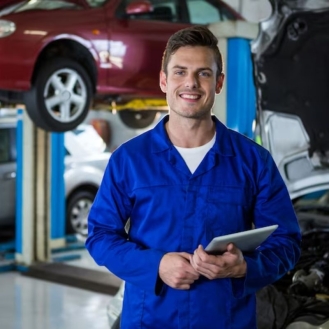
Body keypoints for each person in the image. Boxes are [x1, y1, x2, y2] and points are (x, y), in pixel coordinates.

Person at [86, 26, 301, 329]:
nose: (190, 83)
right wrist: (156, 265)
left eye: (203, 73)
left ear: (219, 83)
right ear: (164, 80)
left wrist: (244, 267)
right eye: (180, 72)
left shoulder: (254, 161)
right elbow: (100, 236)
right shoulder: (129, 160)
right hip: (149, 320)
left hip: (226, 321)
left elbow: (286, 242)